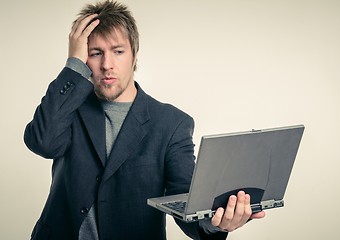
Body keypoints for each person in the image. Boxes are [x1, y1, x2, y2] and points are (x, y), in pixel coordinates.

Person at [24, 1, 265, 239]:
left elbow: (185, 200)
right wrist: (73, 65)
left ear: (134, 55)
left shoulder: (171, 123)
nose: (107, 65)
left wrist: (217, 224)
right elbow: (43, 143)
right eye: (95, 54)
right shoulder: (69, 108)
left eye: (118, 52)